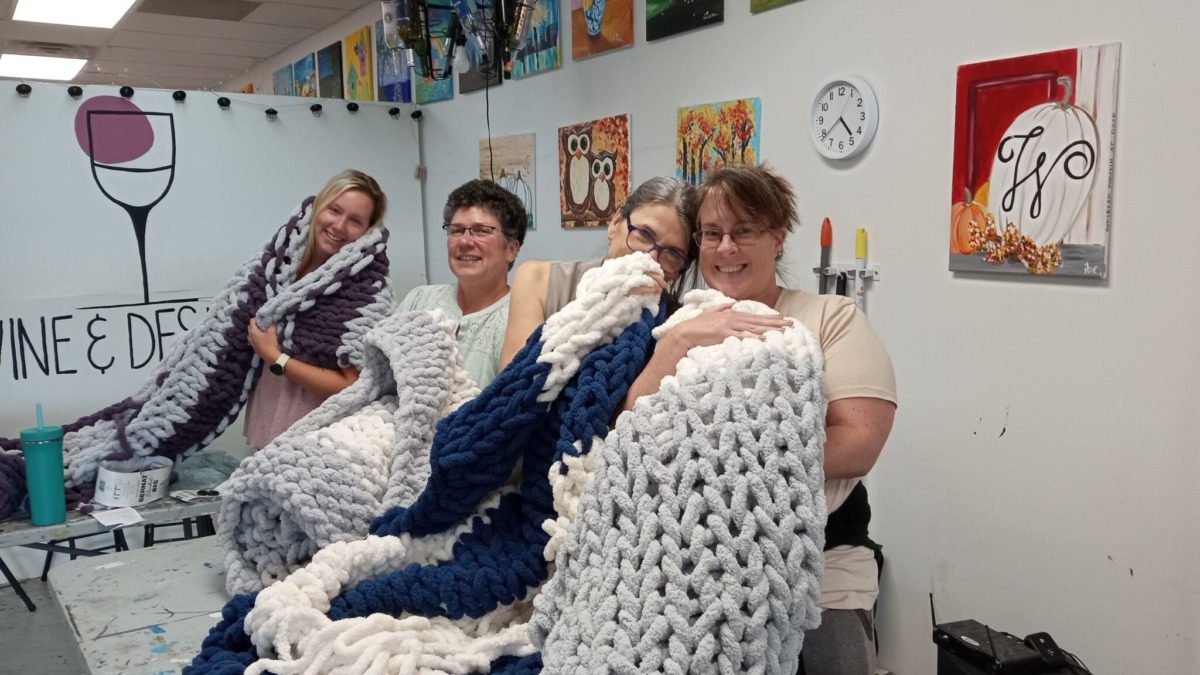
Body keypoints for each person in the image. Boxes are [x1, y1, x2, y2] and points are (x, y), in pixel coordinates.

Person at [624, 165, 897, 675]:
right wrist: (680, 341)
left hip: (820, 573)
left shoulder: (828, 318)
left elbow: (859, 443)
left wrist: (718, 471)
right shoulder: (676, 324)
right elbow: (629, 430)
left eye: (744, 230)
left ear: (778, 236)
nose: (726, 247)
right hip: (690, 573)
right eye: (711, 233)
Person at [244, 169, 389, 449]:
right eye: (334, 210)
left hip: (316, 434)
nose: (339, 226)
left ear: (368, 232)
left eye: (355, 221)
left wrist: (275, 358)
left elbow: (352, 385)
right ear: (318, 207)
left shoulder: (367, 294)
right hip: (267, 417)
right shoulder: (277, 266)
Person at [499, 176, 699, 368]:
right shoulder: (539, 280)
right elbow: (518, 380)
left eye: (673, 253)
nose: (650, 258)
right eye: (644, 234)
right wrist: (610, 301)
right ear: (615, 223)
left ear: (679, 271)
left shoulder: (676, 326)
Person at [396, 179, 528, 388]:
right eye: (456, 230)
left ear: (511, 249)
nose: (465, 241)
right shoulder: (418, 300)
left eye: (481, 230)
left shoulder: (519, 321)